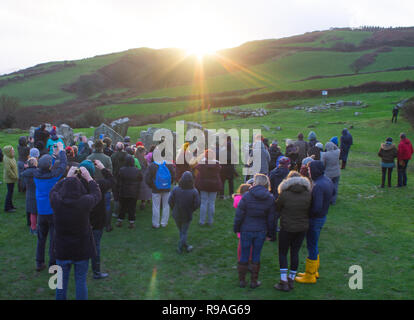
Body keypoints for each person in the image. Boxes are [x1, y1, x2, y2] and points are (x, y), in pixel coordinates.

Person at [50, 165, 102, 300]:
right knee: (80, 281)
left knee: (60, 283)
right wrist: (89, 178)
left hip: (62, 249)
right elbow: (97, 194)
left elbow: (53, 190)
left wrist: (67, 178)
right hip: (81, 249)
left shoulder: (57, 202)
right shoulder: (84, 202)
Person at [233, 173, 276, 289]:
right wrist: (271, 234)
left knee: (244, 254)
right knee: (256, 255)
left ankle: (242, 281)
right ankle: (253, 281)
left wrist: (236, 228)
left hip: (246, 229)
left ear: (255, 182)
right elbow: (271, 219)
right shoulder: (270, 198)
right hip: (261, 230)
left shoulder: (246, 196)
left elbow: (239, 214)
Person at [295, 161, 334, 284]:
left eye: (310, 170)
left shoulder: (318, 185)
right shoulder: (327, 180)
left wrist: (307, 214)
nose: (309, 172)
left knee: (311, 245)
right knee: (314, 244)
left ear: (315, 170)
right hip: (323, 217)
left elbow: (316, 207)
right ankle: (314, 271)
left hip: (315, 220)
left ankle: (310, 275)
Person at [274, 171, 312, 292]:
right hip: (302, 228)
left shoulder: (284, 194)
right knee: (295, 253)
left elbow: (277, 207)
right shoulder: (308, 194)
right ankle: (291, 279)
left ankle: (283, 280)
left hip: (286, 227)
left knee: (283, 253)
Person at [33, 142, 67, 272]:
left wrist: (53, 156)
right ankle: (52, 265)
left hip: (41, 212)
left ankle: (39, 262)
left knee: (41, 239)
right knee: (54, 240)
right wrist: (62, 150)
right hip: (53, 212)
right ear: (50, 166)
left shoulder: (35, 175)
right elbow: (63, 166)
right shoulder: (54, 177)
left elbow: (43, 166)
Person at [84, 159, 115, 279]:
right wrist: (103, 168)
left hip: (82, 221)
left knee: (82, 244)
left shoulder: (75, 185)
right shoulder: (99, 184)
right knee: (95, 245)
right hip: (96, 221)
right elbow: (112, 181)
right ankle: (96, 272)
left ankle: (81, 267)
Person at [168, 171, 201, 253]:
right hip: (187, 214)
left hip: (176, 213)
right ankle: (180, 247)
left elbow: (170, 201)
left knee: (182, 231)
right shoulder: (194, 191)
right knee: (184, 232)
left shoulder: (176, 189)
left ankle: (185, 245)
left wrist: (174, 208)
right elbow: (197, 204)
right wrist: (191, 210)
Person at [87, 140, 113, 231]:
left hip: (93, 185)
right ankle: (107, 225)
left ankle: (93, 224)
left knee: (93, 206)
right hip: (105, 185)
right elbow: (110, 172)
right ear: (102, 147)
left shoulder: (89, 158)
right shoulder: (107, 158)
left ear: (94, 147)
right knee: (107, 206)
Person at [145, 153, 175, 228]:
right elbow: (173, 175)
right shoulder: (169, 164)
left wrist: (152, 186)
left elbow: (147, 178)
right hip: (167, 188)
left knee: (156, 206)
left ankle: (155, 224)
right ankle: (164, 223)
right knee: (166, 206)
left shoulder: (152, 165)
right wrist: (168, 184)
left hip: (156, 189)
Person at [194, 149, 222, 226]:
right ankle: (210, 221)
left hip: (204, 185)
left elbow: (196, 167)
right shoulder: (217, 164)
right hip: (214, 184)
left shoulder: (202, 163)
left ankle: (202, 221)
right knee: (212, 203)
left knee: (203, 203)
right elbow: (220, 169)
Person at [116, 155, 143, 228]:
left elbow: (118, 180)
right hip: (134, 192)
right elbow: (141, 179)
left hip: (123, 191)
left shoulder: (122, 170)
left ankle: (120, 221)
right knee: (132, 207)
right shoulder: (137, 170)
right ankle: (131, 223)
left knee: (122, 207)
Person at [233, 183, 252, 263]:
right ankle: (249, 258)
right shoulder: (249, 200)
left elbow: (235, 205)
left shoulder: (237, 198)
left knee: (241, 244)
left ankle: (240, 258)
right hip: (249, 224)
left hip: (241, 225)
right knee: (250, 245)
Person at [111, 142, 128, 218]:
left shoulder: (113, 156)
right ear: (123, 148)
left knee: (116, 196)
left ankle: (116, 212)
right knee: (124, 194)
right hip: (125, 177)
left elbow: (111, 167)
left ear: (116, 148)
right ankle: (124, 211)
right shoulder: (127, 155)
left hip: (116, 177)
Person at [22, 157, 39, 235]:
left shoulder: (25, 173)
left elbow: (23, 185)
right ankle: (38, 227)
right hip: (38, 193)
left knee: (32, 213)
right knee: (38, 212)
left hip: (29, 193)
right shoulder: (38, 172)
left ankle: (33, 228)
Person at [135, 146, 152, 210]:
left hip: (137, 177)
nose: (145, 153)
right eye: (144, 152)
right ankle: (143, 202)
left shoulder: (135, 158)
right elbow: (148, 167)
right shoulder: (144, 160)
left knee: (137, 190)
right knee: (143, 190)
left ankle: (137, 202)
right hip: (143, 176)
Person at [3, 146, 19, 212]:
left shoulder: (11, 157)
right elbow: (8, 171)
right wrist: (15, 177)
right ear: (8, 152)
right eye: (12, 150)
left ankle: (11, 205)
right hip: (10, 179)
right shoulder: (6, 159)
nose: (14, 151)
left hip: (12, 178)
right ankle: (7, 208)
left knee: (11, 192)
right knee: (9, 192)